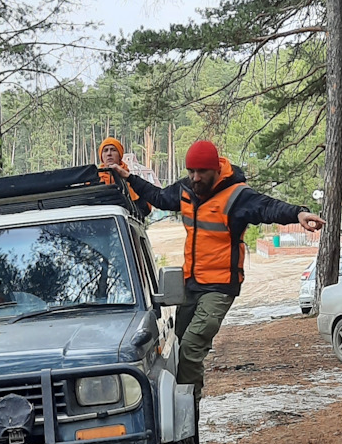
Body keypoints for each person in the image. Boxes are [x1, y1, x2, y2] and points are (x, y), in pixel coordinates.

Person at [111, 139, 325, 397]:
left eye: (201, 172)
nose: (195, 178)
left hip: (220, 287)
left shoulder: (237, 196)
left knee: (191, 347)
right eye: (191, 171)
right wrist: (130, 178)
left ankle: (188, 407)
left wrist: (298, 213)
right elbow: (159, 198)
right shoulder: (186, 189)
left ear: (215, 169)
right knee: (177, 345)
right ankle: (176, 402)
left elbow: (267, 207)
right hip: (191, 283)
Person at [96, 137, 151, 217]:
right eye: (105, 150)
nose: (109, 154)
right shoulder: (94, 180)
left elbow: (145, 208)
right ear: (101, 156)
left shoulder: (131, 180)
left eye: (113, 150)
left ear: (120, 155)